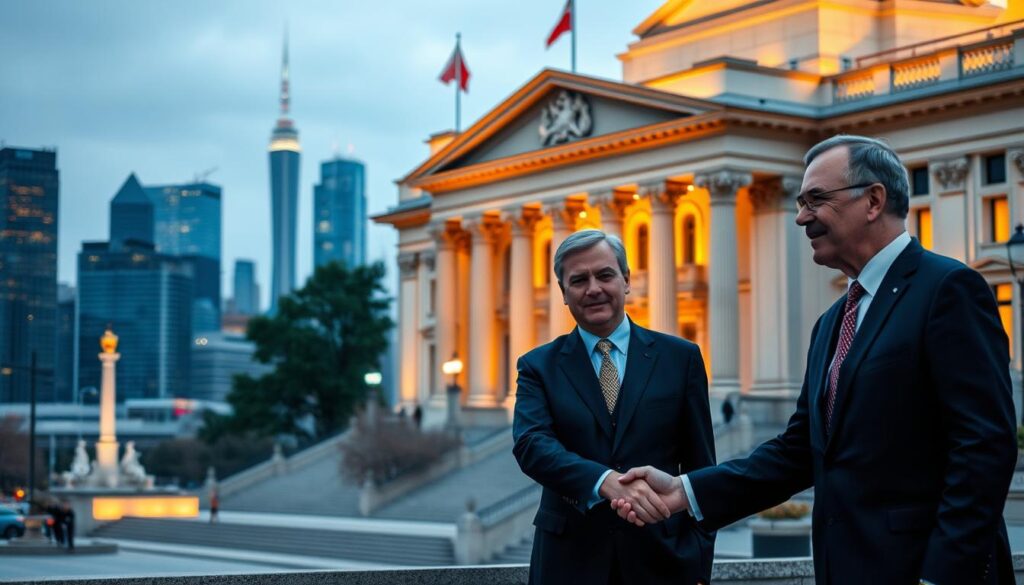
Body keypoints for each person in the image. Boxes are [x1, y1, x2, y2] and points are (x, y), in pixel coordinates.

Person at [613, 135, 1017, 584]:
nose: (801, 216)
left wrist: (942, 577)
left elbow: (983, 447)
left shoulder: (948, 289)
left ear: (873, 200)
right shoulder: (831, 321)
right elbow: (798, 451)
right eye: (801, 202)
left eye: (816, 200)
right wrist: (684, 492)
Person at [513, 229, 715, 585]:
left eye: (604, 275)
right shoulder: (537, 366)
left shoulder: (681, 358)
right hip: (569, 564)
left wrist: (699, 560)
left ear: (625, 281)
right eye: (578, 280)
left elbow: (701, 466)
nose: (593, 288)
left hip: (663, 560)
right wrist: (604, 482)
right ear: (563, 293)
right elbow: (532, 445)